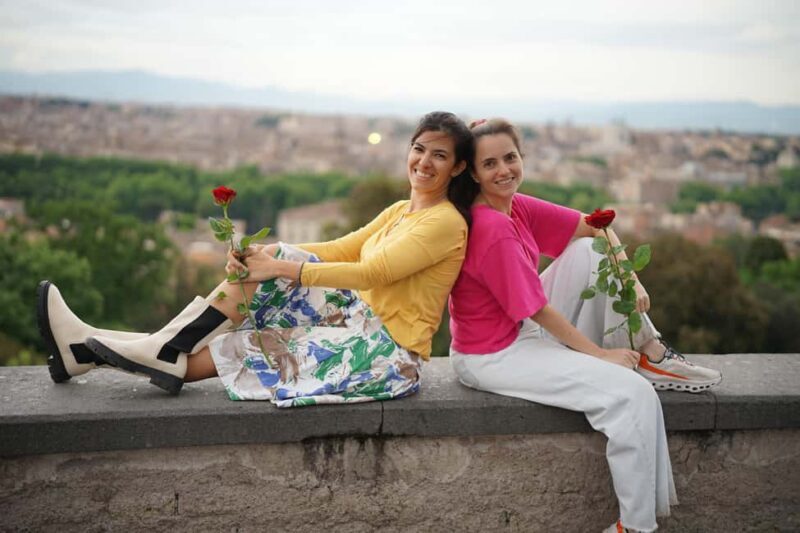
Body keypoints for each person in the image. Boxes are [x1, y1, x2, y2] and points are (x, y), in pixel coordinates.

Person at [38, 111, 473, 407]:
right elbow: (344, 248)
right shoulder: (401, 210)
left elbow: (372, 272)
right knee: (276, 257)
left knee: (255, 342)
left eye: (439, 155)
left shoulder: (445, 222)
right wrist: (267, 253)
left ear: (456, 168)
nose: (424, 161)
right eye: (420, 148)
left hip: (389, 355)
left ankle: (93, 348)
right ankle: (110, 349)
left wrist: (280, 268)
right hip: (360, 321)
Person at [447, 118, 722, 533]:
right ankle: (635, 527)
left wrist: (630, 277)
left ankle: (649, 350)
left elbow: (596, 225)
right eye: (490, 164)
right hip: (492, 354)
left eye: (510, 157)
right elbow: (538, 310)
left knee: (590, 249)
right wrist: (599, 355)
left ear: (521, 156)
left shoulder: (514, 205)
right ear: (472, 172)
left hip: (520, 328)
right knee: (632, 395)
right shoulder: (492, 227)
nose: (504, 170)